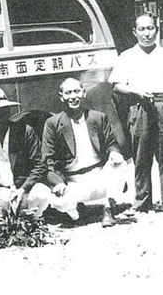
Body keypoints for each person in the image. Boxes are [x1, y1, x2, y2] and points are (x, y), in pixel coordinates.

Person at [109, 11, 163, 213]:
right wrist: (135, 90)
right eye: (142, 29)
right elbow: (117, 85)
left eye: (150, 28)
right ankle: (142, 201)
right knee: (141, 157)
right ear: (134, 32)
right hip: (139, 107)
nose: (147, 33)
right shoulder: (126, 56)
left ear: (157, 30)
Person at [42, 77, 129, 227]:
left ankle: (108, 209)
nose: (73, 96)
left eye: (76, 91)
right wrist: (58, 183)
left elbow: (111, 143)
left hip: (99, 176)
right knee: (54, 198)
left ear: (83, 93)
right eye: (68, 93)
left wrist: (114, 153)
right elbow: (47, 161)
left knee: (120, 164)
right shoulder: (53, 124)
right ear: (61, 96)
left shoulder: (98, 117)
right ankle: (76, 215)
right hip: (73, 182)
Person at [0, 85, 52, 234]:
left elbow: (40, 164)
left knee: (43, 193)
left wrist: (24, 189)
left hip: (22, 188)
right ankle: (3, 226)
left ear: (8, 111)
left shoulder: (25, 131)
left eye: (1, 111)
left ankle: (30, 222)